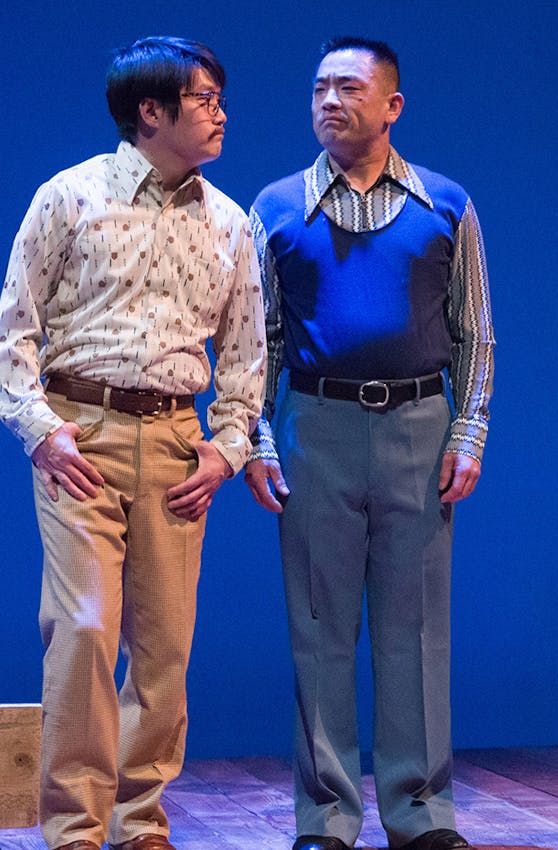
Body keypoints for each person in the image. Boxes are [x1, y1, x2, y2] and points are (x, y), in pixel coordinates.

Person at [0, 37, 264, 850]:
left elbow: (249, 354)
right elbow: (15, 330)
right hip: (84, 434)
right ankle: (75, 828)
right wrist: (41, 432)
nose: (220, 114)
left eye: (220, 99)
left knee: (164, 644)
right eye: (205, 99)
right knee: (82, 629)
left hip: (180, 441)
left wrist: (228, 447)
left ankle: (138, 820)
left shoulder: (227, 220)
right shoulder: (69, 197)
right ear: (151, 111)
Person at [243, 36, 492, 850]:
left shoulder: (446, 204)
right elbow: (259, 340)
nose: (328, 101)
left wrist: (469, 429)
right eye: (318, 87)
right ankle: (325, 818)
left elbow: (475, 336)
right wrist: (256, 437)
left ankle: (420, 813)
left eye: (348, 87)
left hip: (420, 424)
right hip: (316, 424)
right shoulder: (276, 207)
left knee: (415, 625)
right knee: (319, 623)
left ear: (392, 106)